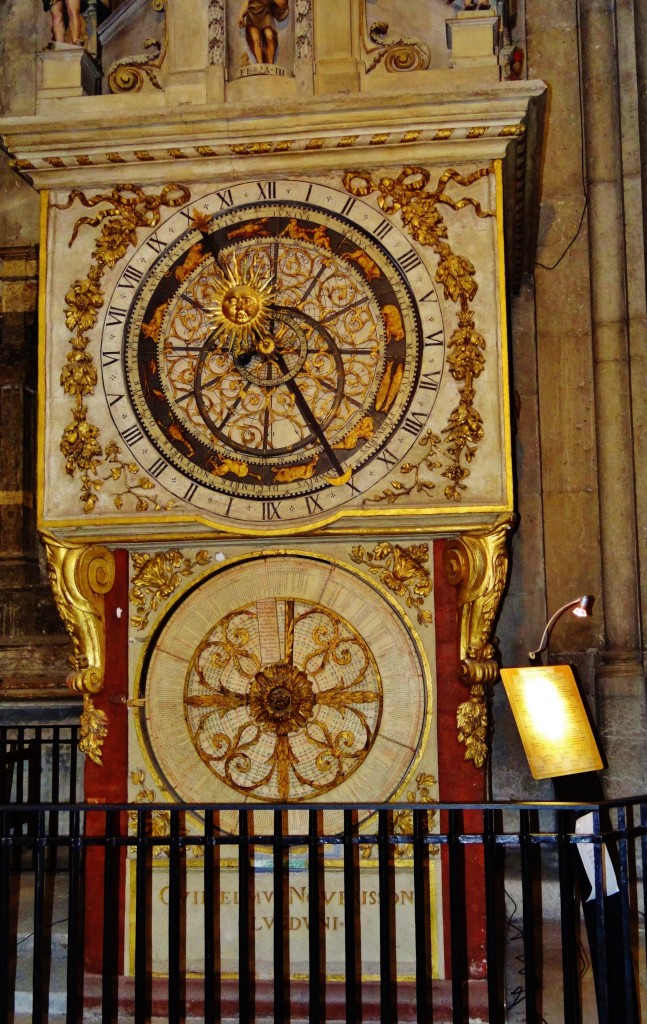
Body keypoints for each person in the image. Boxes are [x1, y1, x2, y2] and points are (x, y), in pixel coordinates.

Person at [238, 0, 289, 65]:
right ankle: (260, 64)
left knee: (269, 36)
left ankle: (270, 65)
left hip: (266, 11)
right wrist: (241, 15)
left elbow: (283, 4)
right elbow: (247, 2)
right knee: (256, 40)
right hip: (252, 12)